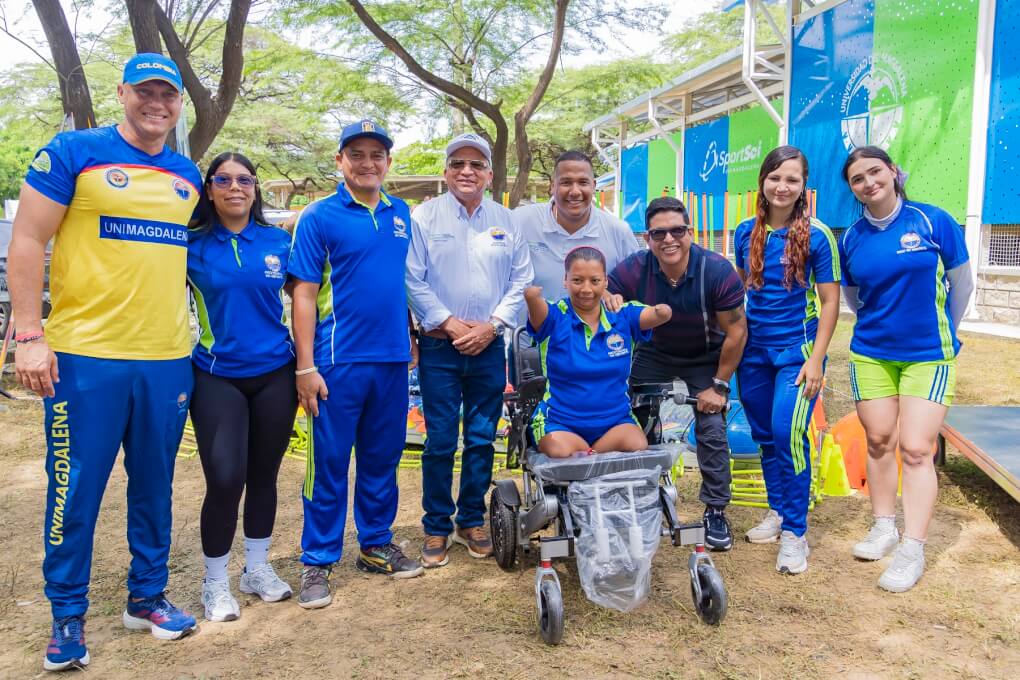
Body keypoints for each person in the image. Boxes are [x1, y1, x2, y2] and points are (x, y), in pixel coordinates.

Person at [9, 53, 201, 671]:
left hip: (168, 358)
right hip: (85, 358)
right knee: (75, 490)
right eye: (145, 92)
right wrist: (28, 334)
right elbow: (29, 239)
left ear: (178, 103)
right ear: (122, 93)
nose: (157, 104)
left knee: (155, 485)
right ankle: (68, 615)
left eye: (167, 95)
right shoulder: (71, 151)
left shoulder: (187, 174)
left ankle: (146, 597)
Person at [289, 119, 423, 610]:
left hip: (390, 361)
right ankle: (317, 559)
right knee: (327, 464)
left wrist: (409, 336)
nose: (368, 163)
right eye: (357, 154)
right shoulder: (319, 216)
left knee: (381, 459)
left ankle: (375, 544)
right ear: (340, 161)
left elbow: (403, 283)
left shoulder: (402, 212)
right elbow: (303, 293)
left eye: (377, 154)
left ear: (388, 162)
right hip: (336, 361)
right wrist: (305, 366)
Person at [839, 145, 973, 592]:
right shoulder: (853, 237)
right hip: (872, 354)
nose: (868, 182)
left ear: (893, 172)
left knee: (916, 448)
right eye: (858, 178)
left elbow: (962, 283)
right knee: (879, 442)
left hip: (928, 356)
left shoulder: (933, 220)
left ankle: (912, 547)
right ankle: (883, 526)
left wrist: (945, 332)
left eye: (875, 172)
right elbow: (855, 297)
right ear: (853, 188)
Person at [406, 133, 533, 568]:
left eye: (476, 164)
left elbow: (520, 280)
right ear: (445, 171)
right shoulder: (424, 217)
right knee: (440, 440)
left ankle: (472, 520)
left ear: (489, 174)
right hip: (440, 347)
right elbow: (412, 279)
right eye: (458, 163)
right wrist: (449, 322)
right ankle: (436, 526)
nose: (467, 171)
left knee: (481, 438)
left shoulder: (506, 221)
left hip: (489, 348)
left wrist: (493, 325)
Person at [186, 152, 298, 621]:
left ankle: (256, 568)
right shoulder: (190, 244)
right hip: (216, 375)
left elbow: (310, 296)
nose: (236, 187)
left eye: (245, 180)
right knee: (226, 478)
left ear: (255, 189)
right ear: (209, 189)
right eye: (224, 179)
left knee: (264, 475)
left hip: (276, 373)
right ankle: (215, 582)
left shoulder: (277, 241)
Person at [607, 197, 747, 551]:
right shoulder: (634, 269)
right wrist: (608, 298)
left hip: (706, 356)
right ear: (647, 238)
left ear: (690, 232)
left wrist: (718, 385)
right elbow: (601, 292)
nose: (669, 239)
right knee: (629, 424)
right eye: (659, 233)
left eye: (677, 231)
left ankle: (715, 510)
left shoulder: (716, 270)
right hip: (655, 354)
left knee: (712, 429)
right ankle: (639, 499)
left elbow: (737, 332)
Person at [732, 146, 841, 574]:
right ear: (762, 182)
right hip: (753, 353)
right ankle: (777, 511)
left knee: (788, 432)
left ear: (803, 188)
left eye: (792, 179)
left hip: (797, 352)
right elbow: (740, 291)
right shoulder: (745, 231)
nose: (782, 186)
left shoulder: (817, 234)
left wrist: (816, 360)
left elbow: (830, 302)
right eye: (775, 177)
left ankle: (796, 533)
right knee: (764, 435)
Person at [524, 247, 671, 457]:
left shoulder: (622, 315)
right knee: (559, 450)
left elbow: (661, 314)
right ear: (565, 280)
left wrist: (662, 310)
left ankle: (588, 457)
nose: (586, 289)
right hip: (560, 421)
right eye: (577, 280)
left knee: (637, 444)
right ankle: (590, 458)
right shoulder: (556, 316)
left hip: (614, 422)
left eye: (595, 281)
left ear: (605, 283)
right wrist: (531, 297)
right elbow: (537, 311)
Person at [512, 150, 639, 304]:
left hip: (596, 328)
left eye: (583, 182)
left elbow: (635, 287)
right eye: (566, 182)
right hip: (528, 328)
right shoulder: (520, 221)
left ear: (593, 186)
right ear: (553, 186)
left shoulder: (619, 231)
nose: (575, 191)